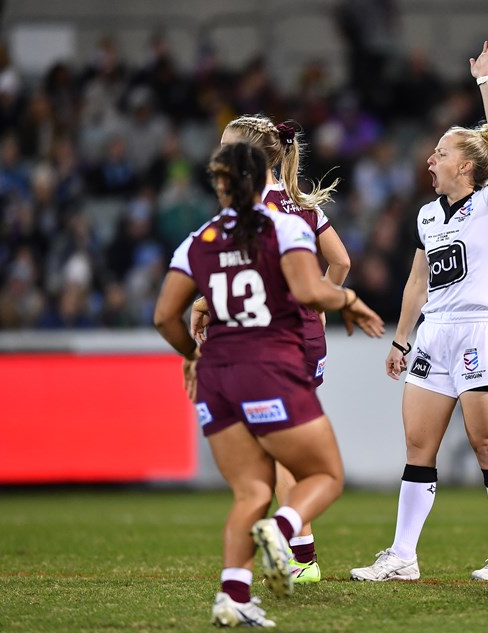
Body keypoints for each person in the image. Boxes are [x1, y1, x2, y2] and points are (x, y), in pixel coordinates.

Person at [153, 141, 384, 627]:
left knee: (250, 491)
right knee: (325, 475)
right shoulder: (283, 226)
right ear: (263, 180)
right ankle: (284, 531)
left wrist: (193, 354)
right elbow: (307, 289)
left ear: (219, 184)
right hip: (268, 367)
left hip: (217, 375)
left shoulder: (198, 238)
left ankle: (233, 596)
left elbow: (163, 316)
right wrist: (350, 299)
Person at [349, 37, 488, 583]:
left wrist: (485, 80)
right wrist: (402, 341)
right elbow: (417, 282)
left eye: (442, 153)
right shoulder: (428, 215)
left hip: (477, 330)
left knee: (486, 442)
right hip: (434, 335)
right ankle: (403, 555)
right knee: (418, 445)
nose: (431, 159)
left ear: (467, 165)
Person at [190, 114, 352, 585]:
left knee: (274, 447)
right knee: (285, 443)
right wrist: (318, 300)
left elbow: (248, 276)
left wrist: (203, 301)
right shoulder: (303, 206)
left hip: (270, 335)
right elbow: (341, 261)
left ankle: (298, 555)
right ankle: (297, 552)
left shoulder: (248, 212)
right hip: (305, 333)